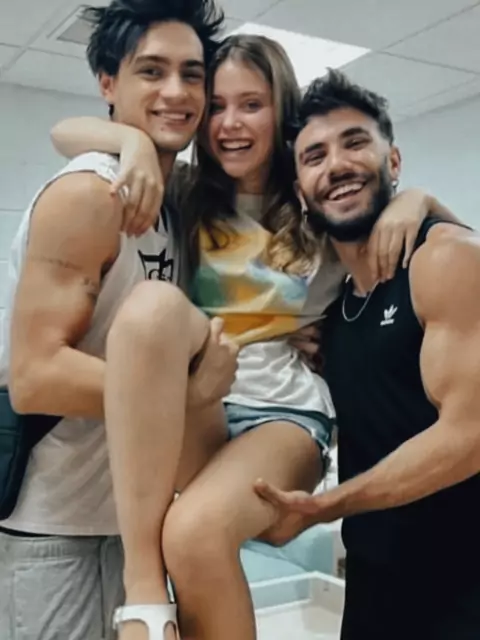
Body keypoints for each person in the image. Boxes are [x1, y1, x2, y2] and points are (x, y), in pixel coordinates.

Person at [50, 37, 464, 640]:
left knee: (193, 535)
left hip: (283, 413)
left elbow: (448, 245)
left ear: (280, 111)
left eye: (252, 104)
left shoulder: (311, 203)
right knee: (150, 309)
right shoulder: (184, 192)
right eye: (217, 107)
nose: (230, 123)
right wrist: (132, 142)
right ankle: (145, 594)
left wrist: (419, 200)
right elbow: (64, 132)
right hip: (202, 399)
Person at [0, 2, 238, 640]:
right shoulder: (90, 194)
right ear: (109, 83)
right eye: (151, 71)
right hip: (57, 530)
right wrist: (184, 395)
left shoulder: (172, 204)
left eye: (192, 74)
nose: (176, 92)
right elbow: (34, 376)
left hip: (140, 527)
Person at [254, 70, 480, 640]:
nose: (336, 165)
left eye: (355, 143)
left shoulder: (443, 260)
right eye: (315, 156)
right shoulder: (332, 308)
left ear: (393, 161)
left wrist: (326, 506)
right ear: (301, 190)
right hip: (375, 588)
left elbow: (470, 436)